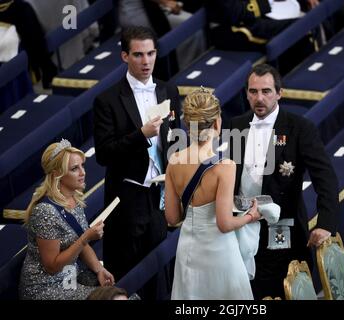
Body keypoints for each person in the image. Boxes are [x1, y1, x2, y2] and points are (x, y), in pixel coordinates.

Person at [229, 64, 339, 299]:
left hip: (283, 229)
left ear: (279, 93)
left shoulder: (300, 128)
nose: (259, 98)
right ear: (247, 93)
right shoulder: (236, 126)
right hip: (241, 227)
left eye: (266, 91)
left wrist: (326, 223)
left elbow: (325, 178)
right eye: (253, 91)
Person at [93, 26, 181, 298]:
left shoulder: (168, 90)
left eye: (151, 53)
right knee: (129, 276)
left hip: (160, 196)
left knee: (160, 274)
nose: (146, 61)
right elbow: (104, 154)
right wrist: (140, 135)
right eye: (139, 54)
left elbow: (174, 140)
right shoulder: (106, 100)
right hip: (127, 199)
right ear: (124, 56)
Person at [165, 88, 261, 299]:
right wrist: (250, 217)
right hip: (219, 252)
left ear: (187, 126)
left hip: (188, 251)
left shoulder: (174, 161)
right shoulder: (225, 166)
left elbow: (172, 218)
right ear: (217, 123)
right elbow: (224, 224)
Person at [19, 139, 115, 300]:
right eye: (74, 169)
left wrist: (99, 269)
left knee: (119, 293)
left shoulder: (73, 199)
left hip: (69, 278)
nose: (83, 172)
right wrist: (86, 238)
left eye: (82, 166)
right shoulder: (45, 212)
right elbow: (52, 267)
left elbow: (79, 244)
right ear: (58, 174)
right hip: (45, 288)